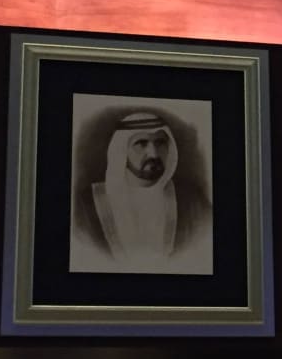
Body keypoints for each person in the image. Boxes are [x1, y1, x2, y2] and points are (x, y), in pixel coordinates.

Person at [74, 112, 211, 268]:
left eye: (160, 142)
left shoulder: (192, 201)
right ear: (122, 150)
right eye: (141, 143)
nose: (153, 153)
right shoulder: (85, 206)